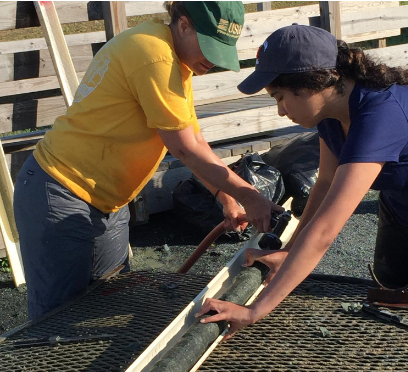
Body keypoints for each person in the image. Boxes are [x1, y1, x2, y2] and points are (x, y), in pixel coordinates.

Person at [196, 24, 408, 340]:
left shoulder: (380, 116)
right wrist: (291, 250)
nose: (281, 111)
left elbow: (325, 232)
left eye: (281, 97)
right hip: (401, 198)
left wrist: (256, 310)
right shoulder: (331, 113)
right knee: (388, 295)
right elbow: (325, 181)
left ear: (314, 82)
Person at [13, 1, 282, 320]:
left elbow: (193, 139)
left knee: (111, 308)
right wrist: (249, 196)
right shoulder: (153, 53)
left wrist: (225, 196)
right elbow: (183, 149)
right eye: (209, 46)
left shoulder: (175, 60)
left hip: (107, 203)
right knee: (55, 321)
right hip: (59, 192)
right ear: (183, 25)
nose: (213, 59)